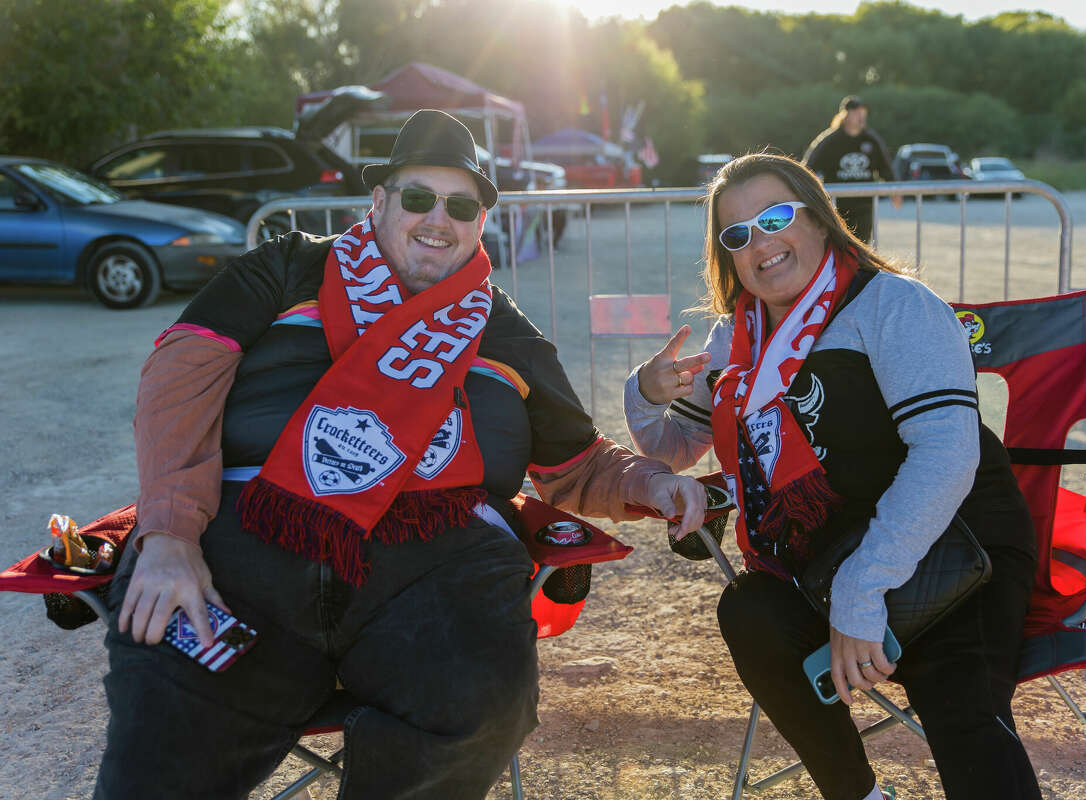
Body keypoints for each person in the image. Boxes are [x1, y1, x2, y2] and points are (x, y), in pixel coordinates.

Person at [97, 109, 707, 800]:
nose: (436, 219)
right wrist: (171, 533)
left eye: (461, 205)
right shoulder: (288, 267)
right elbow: (180, 377)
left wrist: (654, 482)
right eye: (417, 197)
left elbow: (579, 464)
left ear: (481, 221)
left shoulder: (503, 328)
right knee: (164, 737)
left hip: (436, 565)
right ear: (379, 202)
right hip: (247, 538)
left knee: (483, 702)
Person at [623, 152, 1042, 800]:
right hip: (827, 561)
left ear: (819, 217)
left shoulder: (894, 305)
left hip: (954, 545)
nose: (759, 243)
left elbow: (946, 455)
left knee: (964, 715)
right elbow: (673, 445)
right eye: (737, 235)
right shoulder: (737, 335)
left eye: (775, 216)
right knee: (750, 613)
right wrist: (645, 392)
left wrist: (862, 590)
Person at [802, 95, 902, 242]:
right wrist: (804, 193)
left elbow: (885, 167)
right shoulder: (830, 140)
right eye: (856, 113)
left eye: (863, 113)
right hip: (838, 207)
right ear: (845, 116)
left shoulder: (871, 140)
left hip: (864, 206)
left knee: (862, 248)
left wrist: (895, 192)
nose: (861, 117)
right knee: (839, 246)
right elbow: (809, 167)